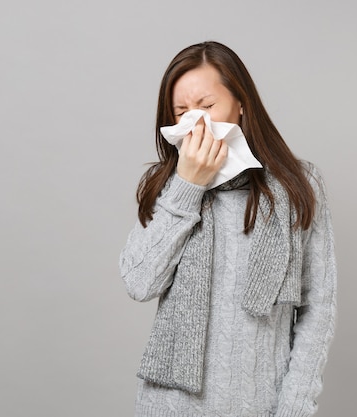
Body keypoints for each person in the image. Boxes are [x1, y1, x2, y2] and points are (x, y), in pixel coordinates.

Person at [119, 41, 337, 417]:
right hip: (167, 405)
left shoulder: (297, 186)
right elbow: (139, 282)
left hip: (257, 403)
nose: (196, 123)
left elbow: (317, 310)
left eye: (206, 106)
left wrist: (294, 409)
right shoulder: (166, 186)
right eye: (181, 112)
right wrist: (188, 186)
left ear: (241, 103)